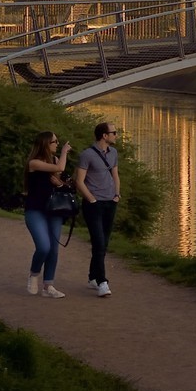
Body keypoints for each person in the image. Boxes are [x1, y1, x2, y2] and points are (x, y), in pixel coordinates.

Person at [74, 122, 122, 297]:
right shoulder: (87, 155)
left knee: (103, 243)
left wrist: (116, 195)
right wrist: (92, 199)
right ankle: (102, 282)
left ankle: (92, 278)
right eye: (114, 132)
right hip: (93, 205)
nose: (116, 135)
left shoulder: (114, 153)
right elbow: (79, 181)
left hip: (110, 202)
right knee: (99, 242)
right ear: (104, 135)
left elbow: (115, 175)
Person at [24, 130, 73, 298]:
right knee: (43, 246)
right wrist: (65, 151)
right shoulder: (34, 163)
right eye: (55, 142)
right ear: (45, 144)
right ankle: (33, 274)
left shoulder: (55, 160)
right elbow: (60, 168)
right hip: (35, 210)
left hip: (53, 210)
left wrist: (59, 183)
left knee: (53, 249)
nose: (57, 144)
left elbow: (58, 182)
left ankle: (48, 286)